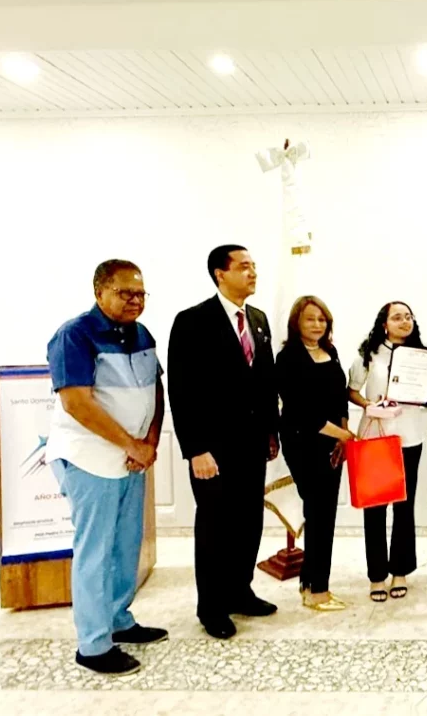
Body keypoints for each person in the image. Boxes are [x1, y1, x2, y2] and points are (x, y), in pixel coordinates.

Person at [45, 259, 167, 675]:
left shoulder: (142, 334)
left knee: (125, 544)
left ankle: (118, 620)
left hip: (133, 458)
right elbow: (76, 403)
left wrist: (149, 443)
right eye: (124, 292)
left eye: (140, 293)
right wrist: (131, 444)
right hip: (90, 458)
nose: (135, 300)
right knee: (95, 550)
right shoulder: (74, 334)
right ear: (99, 292)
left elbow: (155, 391)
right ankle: (93, 645)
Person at [168, 245, 280, 640]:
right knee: (216, 525)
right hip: (212, 449)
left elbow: (265, 380)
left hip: (253, 444)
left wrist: (271, 431)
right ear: (220, 274)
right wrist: (196, 449)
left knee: (249, 521)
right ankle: (212, 607)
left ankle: (239, 591)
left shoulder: (258, 319)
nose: (253, 273)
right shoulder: (192, 321)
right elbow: (182, 390)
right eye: (244, 267)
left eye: (254, 266)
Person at [349, 302, 427, 602]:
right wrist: (369, 405)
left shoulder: (422, 356)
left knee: (404, 507)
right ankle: (376, 575)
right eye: (397, 317)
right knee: (375, 509)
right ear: (384, 324)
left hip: (409, 438)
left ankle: (400, 571)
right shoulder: (369, 354)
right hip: (376, 436)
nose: (405, 321)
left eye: (409, 317)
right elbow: (352, 390)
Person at [276, 296, 354, 612]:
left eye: (322, 319)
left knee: (325, 514)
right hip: (303, 443)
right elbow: (300, 411)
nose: (317, 325)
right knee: (318, 513)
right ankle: (317, 591)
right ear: (297, 322)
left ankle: (310, 583)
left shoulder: (330, 352)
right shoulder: (287, 358)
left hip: (334, 443)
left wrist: (344, 436)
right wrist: (342, 435)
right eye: (310, 319)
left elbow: (340, 399)